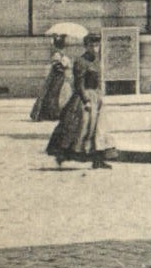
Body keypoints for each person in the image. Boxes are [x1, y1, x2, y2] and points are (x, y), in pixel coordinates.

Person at [46, 32, 116, 169]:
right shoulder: (81, 62)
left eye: (97, 44)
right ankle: (62, 155)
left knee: (99, 129)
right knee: (82, 129)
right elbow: (79, 84)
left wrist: (99, 96)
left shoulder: (96, 60)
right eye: (92, 45)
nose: (95, 48)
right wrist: (86, 101)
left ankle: (98, 160)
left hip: (96, 97)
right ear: (86, 46)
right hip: (84, 98)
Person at [30, 35, 74, 122]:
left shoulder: (60, 55)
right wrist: (64, 66)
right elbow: (57, 67)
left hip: (60, 77)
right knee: (54, 95)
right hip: (57, 78)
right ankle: (52, 113)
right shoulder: (58, 55)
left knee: (57, 95)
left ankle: (56, 113)